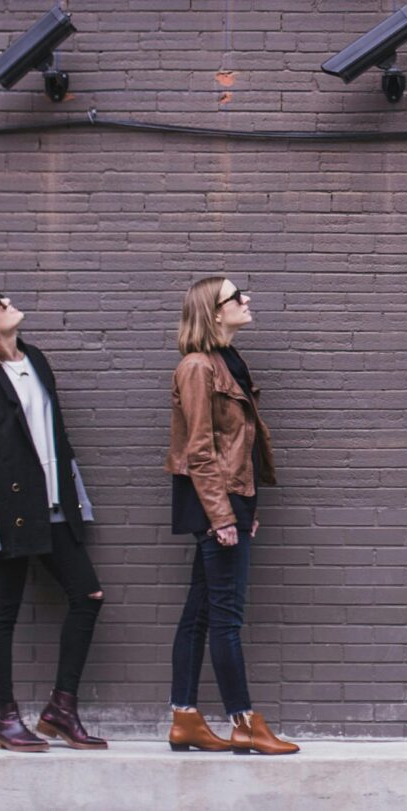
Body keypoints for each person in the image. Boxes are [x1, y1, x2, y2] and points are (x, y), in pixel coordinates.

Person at [0, 290, 107, 752]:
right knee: (4, 612)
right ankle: (5, 719)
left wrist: (79, 500)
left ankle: (60, 709)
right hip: (9, 516)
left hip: (56, 508)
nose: (7, 300)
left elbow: (58, 435)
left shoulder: (36, 359)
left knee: (88, 595)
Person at [165, 274, 298, 756]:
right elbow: (199, 450)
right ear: (214, 311)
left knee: (200, 614)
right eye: (236, 296)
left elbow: (238, 446)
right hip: (213, 502)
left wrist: (247, 505)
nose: (247, 298)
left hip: (228, 499)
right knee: (226, 617)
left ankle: (184, 717)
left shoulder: (228, 360)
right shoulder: (198, 368)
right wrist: (223, 515)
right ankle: (244, 721)